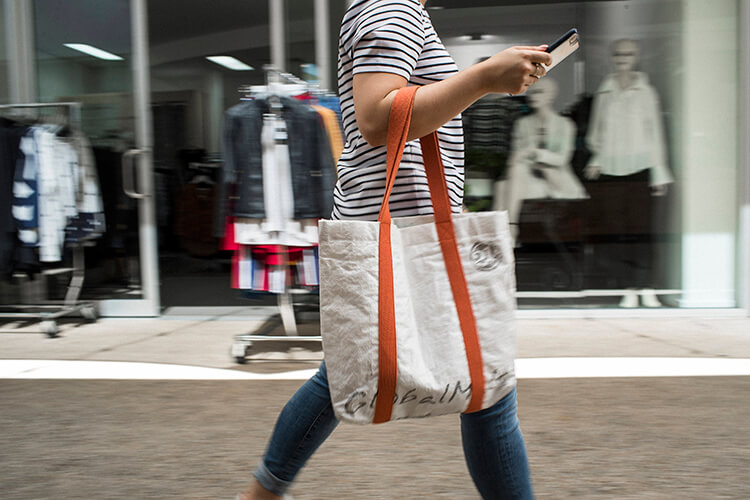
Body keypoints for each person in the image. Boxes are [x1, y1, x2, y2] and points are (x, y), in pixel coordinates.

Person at [238, 1, 551, 498]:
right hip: (401, 228)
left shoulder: (398, 8)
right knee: (483, 380)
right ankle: (262, 492)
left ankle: (263, 492)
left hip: (407, 224)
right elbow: (379, 119)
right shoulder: (391, 6)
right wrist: (484, 78)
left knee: (371, 373)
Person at [584, 38, 674, 307]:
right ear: (613, 57)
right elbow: (597, 130)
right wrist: (597, 157)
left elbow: (655, 132)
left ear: (636, 56)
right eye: (618, 53)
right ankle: (628, 287)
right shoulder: (605, 90)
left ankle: (647, 286)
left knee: (643, 231)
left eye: (629, 53)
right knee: (616, 231)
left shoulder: (646, 91)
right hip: (611, 170)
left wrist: (659, 171)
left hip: (641, 168)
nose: (623, 57)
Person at [505, 77, 588, 245]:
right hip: (531, 180)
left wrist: (534, 152)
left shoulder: (565, 125)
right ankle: (510, 229)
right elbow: (514, 159)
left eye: (539, 92)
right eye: (532, 92)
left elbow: (562, 159)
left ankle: (508, 231)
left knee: (505, 187)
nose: (533, 96)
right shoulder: (522, 124)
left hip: (557, 181)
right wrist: (527, 155)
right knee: (508, 179)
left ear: (551, 96)